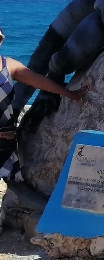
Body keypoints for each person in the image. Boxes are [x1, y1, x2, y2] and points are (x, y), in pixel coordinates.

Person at [0, 26, 89, 182]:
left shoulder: (8, 65)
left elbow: (39, 81)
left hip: (5, 140)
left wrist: (70, 94)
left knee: (13, 182)